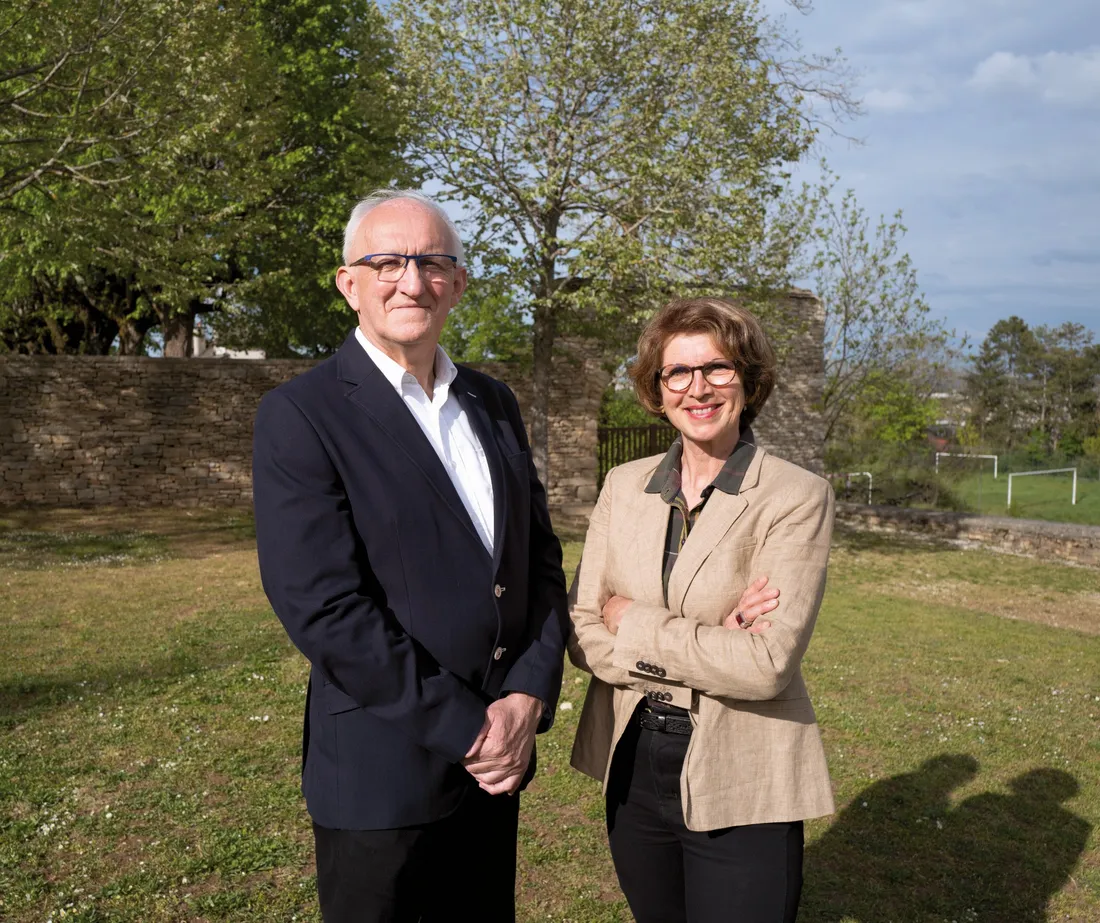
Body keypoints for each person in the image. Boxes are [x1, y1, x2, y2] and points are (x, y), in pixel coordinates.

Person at [252, 189, 569, 923]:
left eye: (432, 261)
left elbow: (539, 563)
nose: (411, 279)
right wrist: (467, 729)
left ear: (457, 283)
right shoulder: (302, 414)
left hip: (496, 765)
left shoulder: (495, 403)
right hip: (382, 775)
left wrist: (525, 694)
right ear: (348, 283)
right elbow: (323, 606)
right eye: (386, 260)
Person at [568, 296, 835, 923]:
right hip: (631, 757)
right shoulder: (622, 486)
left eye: (718, 368)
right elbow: (581, 630)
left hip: (744, 767)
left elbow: (764, 666)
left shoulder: (796, 496)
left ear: (748, 379)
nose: (698, 388)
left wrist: (630, 619)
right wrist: (710, 641)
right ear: (656, 390)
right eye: (677, 373)